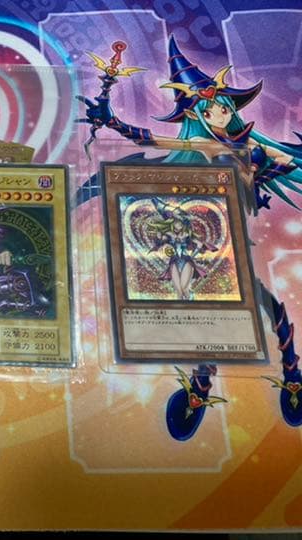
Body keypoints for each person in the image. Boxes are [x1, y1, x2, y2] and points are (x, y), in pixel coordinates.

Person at [78, 35, 302, 436]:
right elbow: (150, 140)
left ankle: (292, 374)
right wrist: (111, 120)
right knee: (213, 309)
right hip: (199, 237)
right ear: (197, 114)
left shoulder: (248, 142)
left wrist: (268, 162)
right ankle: (200, 390)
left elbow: (284, 158)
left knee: (260, 301)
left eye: (224, 107)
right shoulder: (201, 144)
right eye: (211, 108)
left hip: (233, 235)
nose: (220, 112)